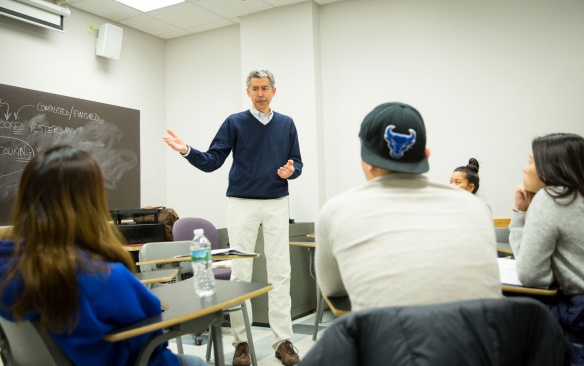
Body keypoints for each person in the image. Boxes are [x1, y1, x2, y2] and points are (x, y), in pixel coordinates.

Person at [0, 145, 206, 366]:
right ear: (90, 202)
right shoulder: (103, 278)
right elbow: (153, 341)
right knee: (196, 362)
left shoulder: (8, 266)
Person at [162, 69, 302, 366]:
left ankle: (283, 340)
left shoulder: (287, 124)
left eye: (265, 88)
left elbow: (297, 162)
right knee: (241, 274)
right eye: (254, 89)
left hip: (277, 202)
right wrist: (186, 150)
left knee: (281, 271)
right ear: (248, 92)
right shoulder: (235, 122)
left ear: (274, 91)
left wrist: (292, 171)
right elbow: (213, 160)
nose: (260, 93)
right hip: (242, 202)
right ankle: (242, 343)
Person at [315, 102, 502, 313]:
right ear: (426, 154)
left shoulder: (335, 211)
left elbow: (333, 289)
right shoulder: (476, 207)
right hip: (477, 341)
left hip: (388, 340)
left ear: (366, 159)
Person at [509, 133, 584, 364]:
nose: (524, 168)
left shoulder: (552, 197)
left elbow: (532, 275)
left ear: (551, 166)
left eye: (530, 161)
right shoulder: (577, 195)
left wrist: (520, 214)